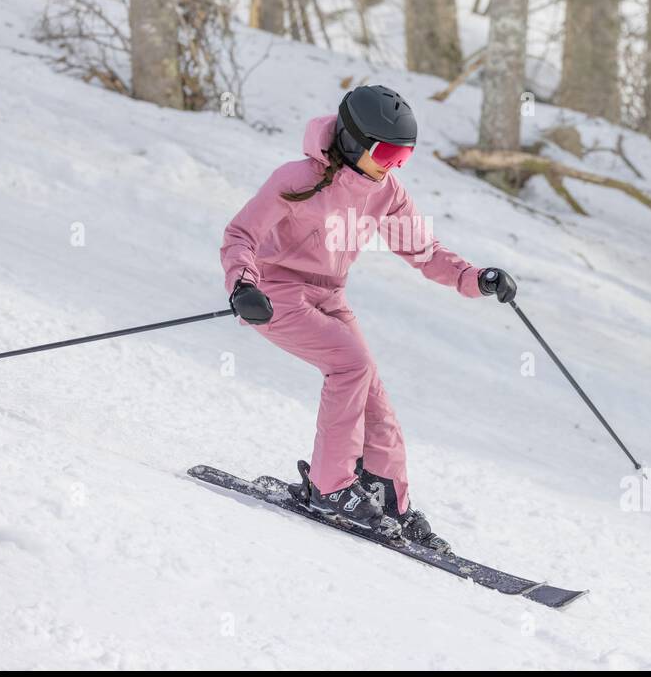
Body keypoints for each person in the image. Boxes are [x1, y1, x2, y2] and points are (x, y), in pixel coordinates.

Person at [220, 85, 516, 552]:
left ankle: (385, 494)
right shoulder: (296, 178)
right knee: (350, 364)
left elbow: (425, 252)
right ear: (357, 143)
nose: (395, 165)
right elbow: (241, 234)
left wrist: (476, 278)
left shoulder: (386, 193)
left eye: (405, 157)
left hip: (328, 297)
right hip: (274, 295)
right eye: (389, 153)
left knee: (374, 396)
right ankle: (331, 487)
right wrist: (243, 284)